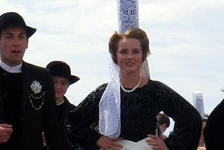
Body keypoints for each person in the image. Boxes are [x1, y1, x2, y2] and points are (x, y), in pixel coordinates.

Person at [68, 28, 203, 150]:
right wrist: (98, 139)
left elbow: (191, 119)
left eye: (135, 52)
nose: (130, 57)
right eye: (124, 52)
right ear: (115, 56)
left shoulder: (156, 90)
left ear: (143, 55)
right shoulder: (105, 93)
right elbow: (73, 123)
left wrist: (168, 145)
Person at [0, 12, 69, 150]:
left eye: (21, 37)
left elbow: (53, 126)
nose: (17, 43)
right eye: (9, 37)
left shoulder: (41, 76)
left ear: (27, 43)